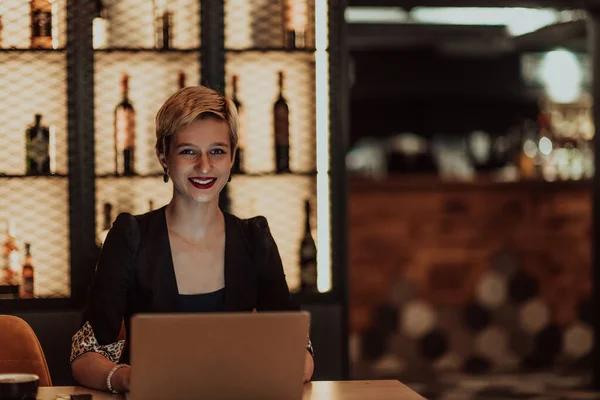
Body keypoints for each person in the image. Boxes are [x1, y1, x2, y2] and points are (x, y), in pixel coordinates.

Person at [70, 85, 314, 393]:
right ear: (163, 156)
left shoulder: (255, 239)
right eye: (188, 151)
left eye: (217, 151)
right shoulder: (130, 237)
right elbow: (85, 355)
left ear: (232, 157)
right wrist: (129, 378)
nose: (204, 166)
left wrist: (285, 366)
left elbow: (300, 352)